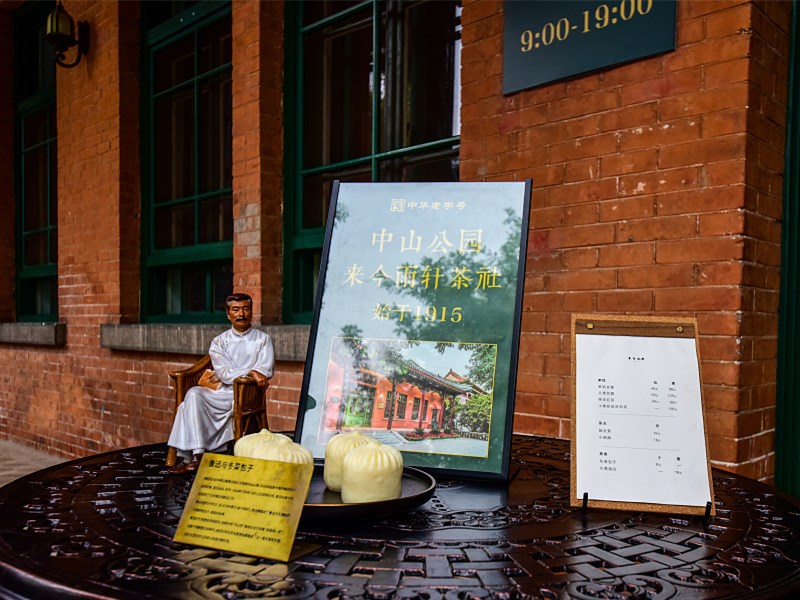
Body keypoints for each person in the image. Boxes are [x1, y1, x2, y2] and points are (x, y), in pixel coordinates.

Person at [167, 293, 275, 474]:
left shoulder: (263, 340)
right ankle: (199, 454)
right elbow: (223, 374)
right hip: (220, 391)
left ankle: (195, 455)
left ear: (251, 312)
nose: (241, 314)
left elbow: (265, 370)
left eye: (245, 309)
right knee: (193, 394)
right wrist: (250, 371)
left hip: (245, 393)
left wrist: (250, 375)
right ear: (228, 314)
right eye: (236, 310)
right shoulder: (219, 341)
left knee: (187, 405)